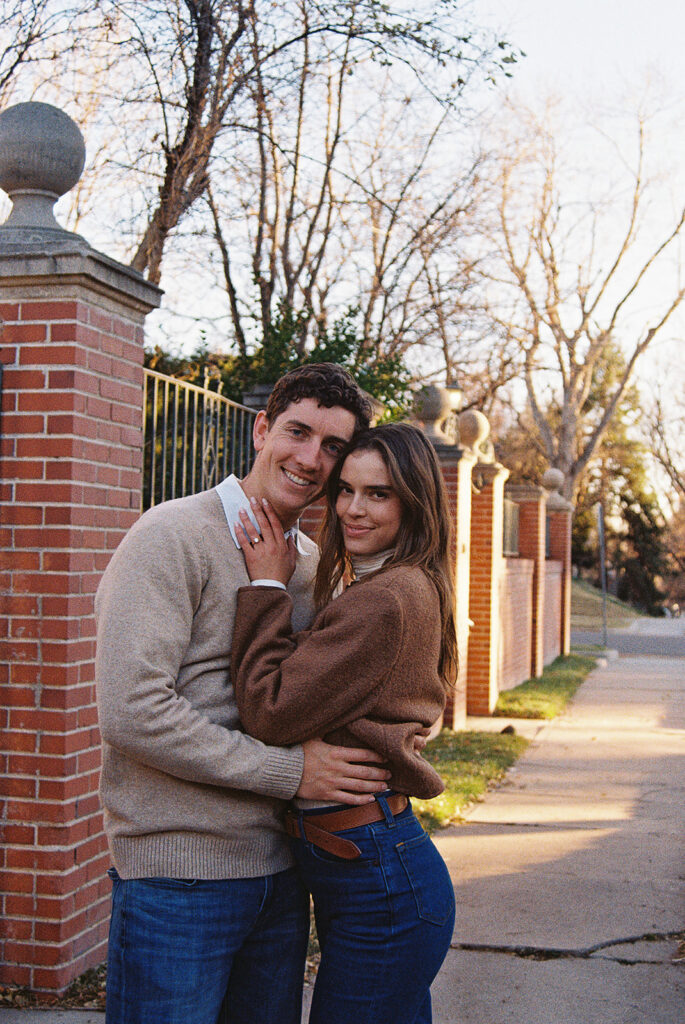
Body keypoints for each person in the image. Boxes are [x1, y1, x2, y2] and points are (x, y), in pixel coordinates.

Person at [94, 363, 395, 1024]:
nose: (310, 458)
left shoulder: (313, 567)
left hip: (281, 878)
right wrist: (293, 773)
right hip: (179, 878)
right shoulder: (170, 535)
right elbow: (132, 712)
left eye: (333, 446)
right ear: (261, 429)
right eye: (297, 431)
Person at [231, 421, 458, 1024]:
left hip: (378, 884)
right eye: (346, 490)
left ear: (414, 501)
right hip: (368, 871)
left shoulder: (385, 599)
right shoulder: (398, 584)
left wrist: (267, 586)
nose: (353, 510)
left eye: (378, 494)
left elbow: (268, 711)